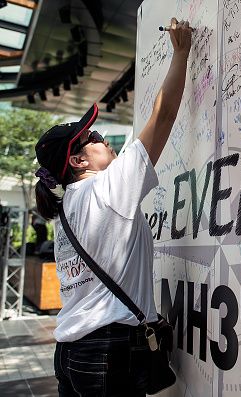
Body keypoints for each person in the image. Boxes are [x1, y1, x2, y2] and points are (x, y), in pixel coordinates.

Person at [33, 18, 192, 396]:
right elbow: (164, 115)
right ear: (78, 162)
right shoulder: (107, 189)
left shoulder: (67, 209)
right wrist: (182, 52)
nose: (104, 139)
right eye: (94, 138)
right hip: (106, 353)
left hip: (71, 355)